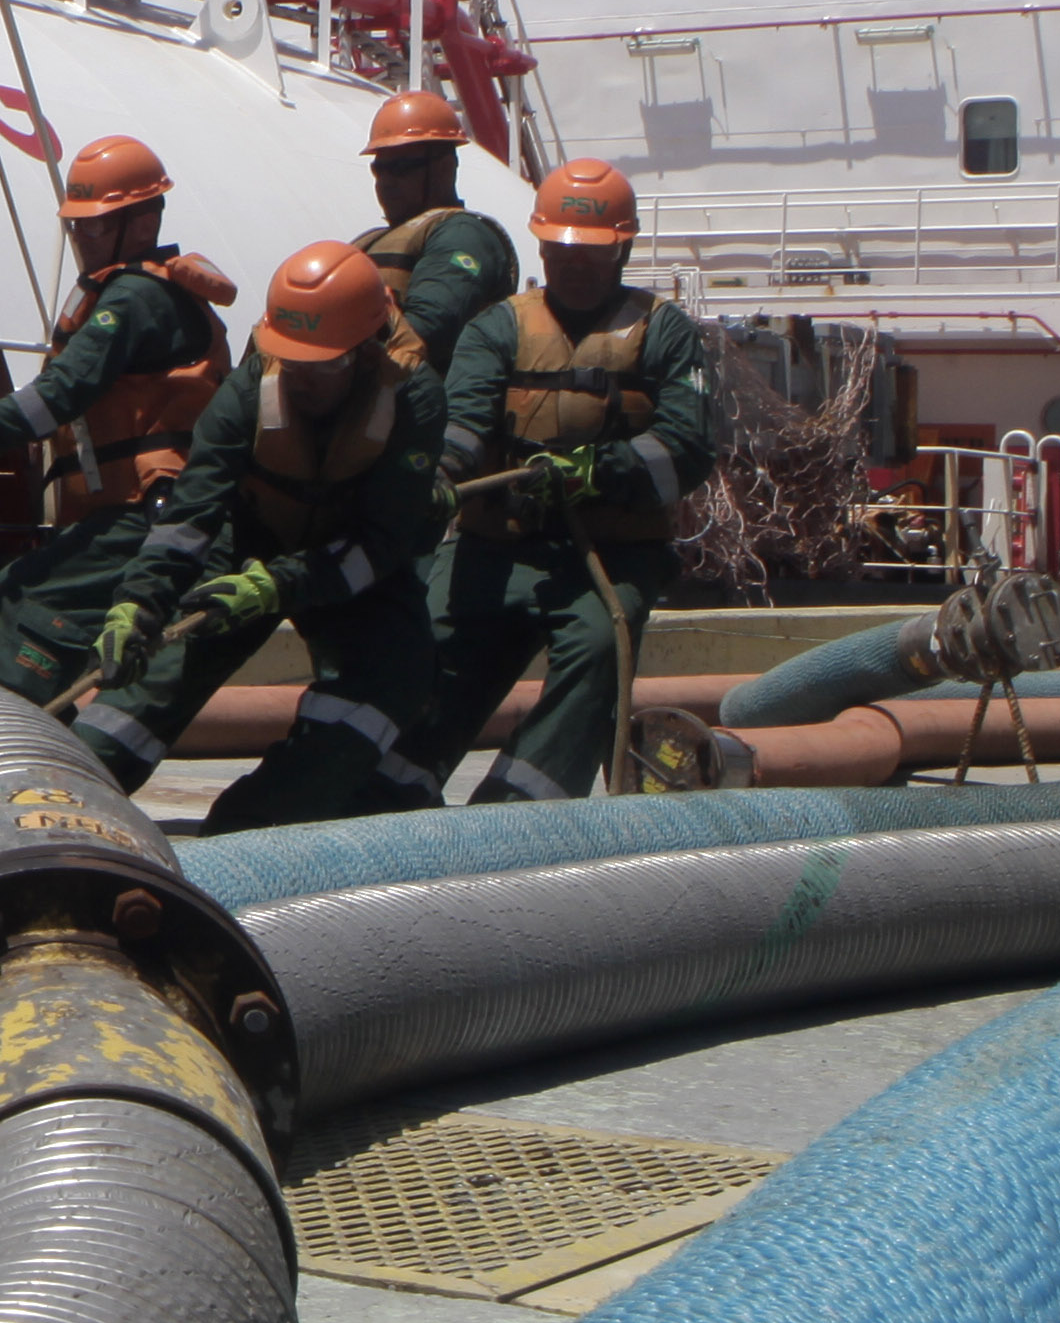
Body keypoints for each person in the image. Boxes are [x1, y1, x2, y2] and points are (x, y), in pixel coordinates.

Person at [74, 237, 461, 827]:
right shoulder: (249, 389)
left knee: (394, 680)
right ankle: (64, 795)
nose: (299, 377)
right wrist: (139, 602)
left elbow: (383, 542)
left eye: (319, 364)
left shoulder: (414, 400)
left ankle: (252, 828)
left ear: (362, 352)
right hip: (251, 539)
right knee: (151, 683)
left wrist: (281, 587)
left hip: (355, 562)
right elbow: (191, 513)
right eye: (292, 359)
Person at [0, 133, 236, 710]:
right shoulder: (141, 292)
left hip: (148, 510)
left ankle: (14, 731)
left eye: (94, 226)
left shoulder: (132, 299)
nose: (81, 239)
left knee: (20, 597)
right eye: (76, 226)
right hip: (140, 507)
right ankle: (47, 725)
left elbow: (60, 394)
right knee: (30, 601)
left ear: (141, 223)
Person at [428, 156, 725, 801]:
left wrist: (598, 472)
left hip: (609, 555)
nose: (575, 264)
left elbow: (691, 444)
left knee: (598, 648)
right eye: (562, 250)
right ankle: (388, 790)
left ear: (623, 248)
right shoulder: (499, 326)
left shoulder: (663, 333)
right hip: (493, 546)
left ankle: (519, 810)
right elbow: (464, 417)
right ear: (540, 244)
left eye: (592, 252)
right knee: (428, 649)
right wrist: (441, 474)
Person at [357, 86, 517, 359]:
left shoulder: (462, 235)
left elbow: (430, 326)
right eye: (379, 169)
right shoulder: (371, 239)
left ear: (444, 169)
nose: (386, 181)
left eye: (401, 168)